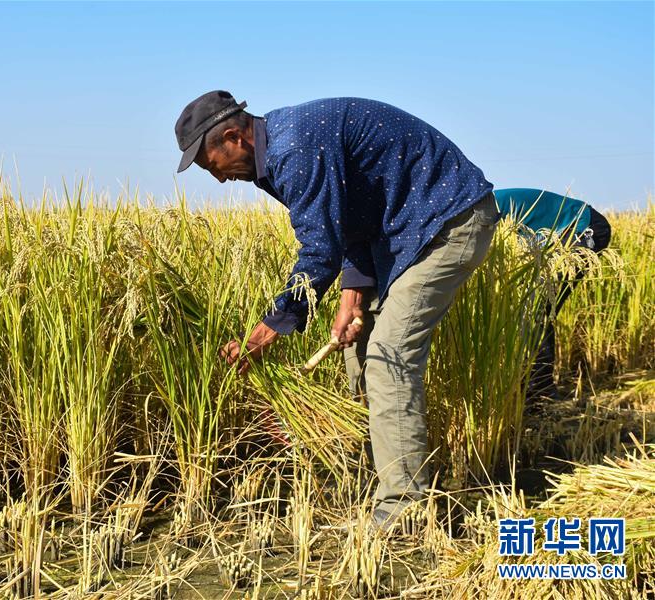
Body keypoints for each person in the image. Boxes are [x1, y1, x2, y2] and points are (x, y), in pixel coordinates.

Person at [174, 90, 499, 531]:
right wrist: (353, 295)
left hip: (447, 223)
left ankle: (403, 509)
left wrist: (262, 336)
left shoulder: (294, 149)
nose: (216, 179)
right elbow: (350, 221)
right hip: (402, 233)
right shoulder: (278, 154)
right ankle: (375, 478)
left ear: (234, 137)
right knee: (356, 349)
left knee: (389, 357)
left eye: (210, 165)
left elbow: (319, 251)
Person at [494, 188, 612, 407]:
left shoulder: (484, 210)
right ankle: (529, 385)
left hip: (585, 227)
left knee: (536, 307)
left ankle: (540, 391)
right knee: (528, 307)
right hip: (564, 234)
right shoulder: (480, 208)